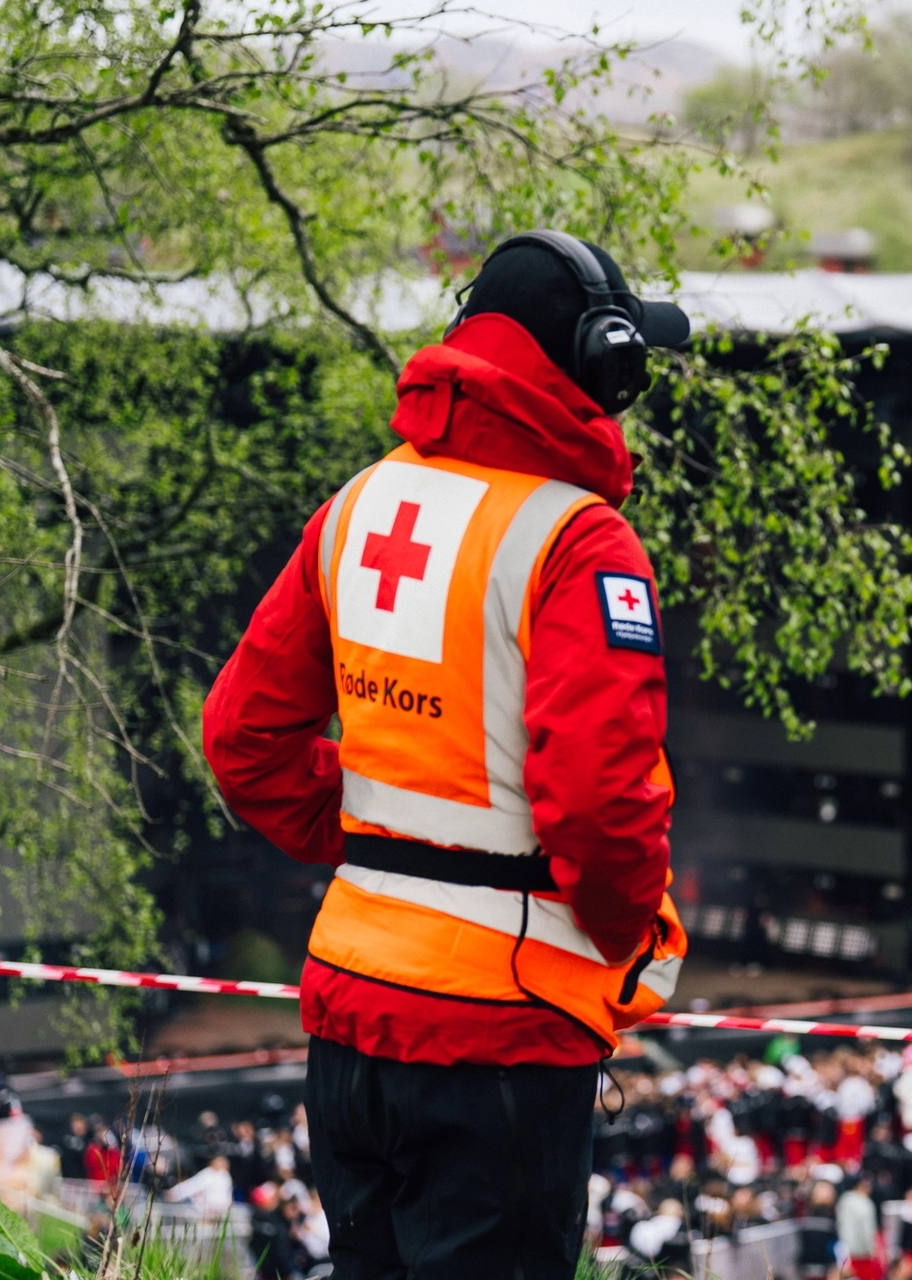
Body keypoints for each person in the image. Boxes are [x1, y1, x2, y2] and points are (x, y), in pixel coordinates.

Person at [203, 230, 693, 1280]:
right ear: (602, 367)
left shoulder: (358, 504)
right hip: (503, 1035)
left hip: (347, 1018)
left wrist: (384, 844)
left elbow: (242, 742)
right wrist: (619, 942)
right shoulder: (580, 537)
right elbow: (603, 801)